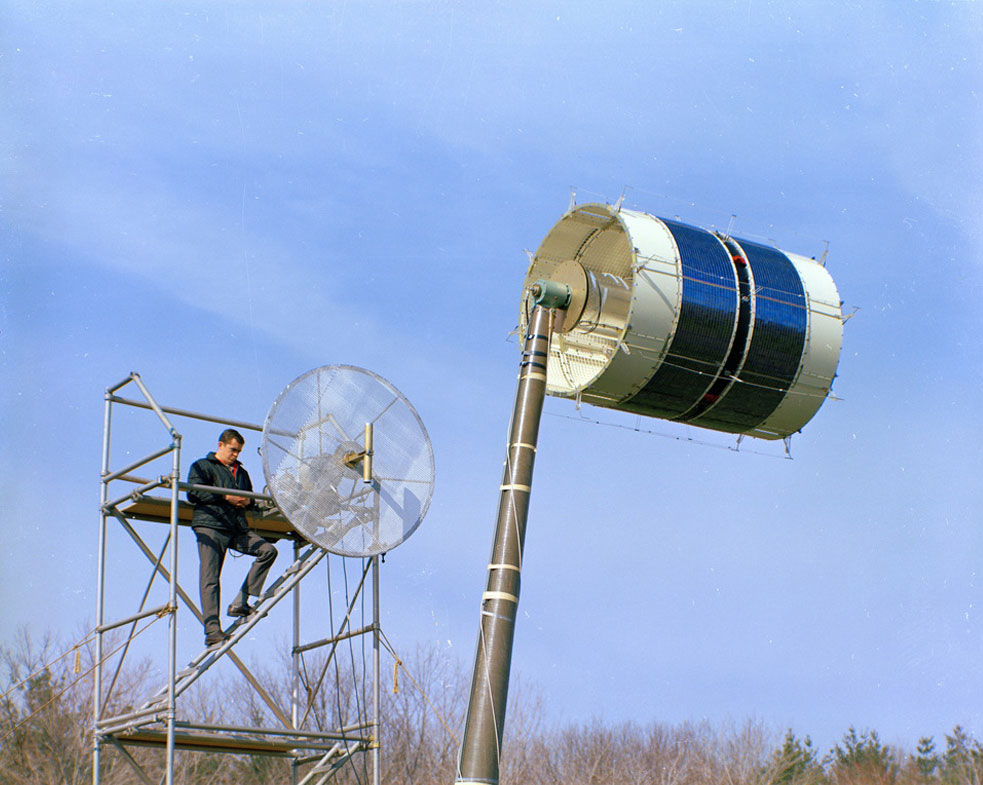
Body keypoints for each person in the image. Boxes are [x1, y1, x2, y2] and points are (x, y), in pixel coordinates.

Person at [187, 429, 277, 647]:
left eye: (238, 451)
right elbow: (193, 492)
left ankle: (241, 600)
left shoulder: (241, 473)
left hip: (236, 527)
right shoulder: (203, 466)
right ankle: (212, 631)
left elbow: (250, 497)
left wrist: (247, 502)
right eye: (232, 450)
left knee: (268, 550)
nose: (235, 454)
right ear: (220, 445)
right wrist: (225, 496)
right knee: (210, 578)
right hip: (211, 525)